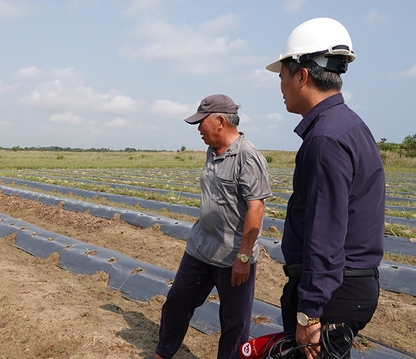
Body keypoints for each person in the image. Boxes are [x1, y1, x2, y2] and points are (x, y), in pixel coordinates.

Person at [265, 18, 385, 359]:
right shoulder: (347, 126)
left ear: (301, 75)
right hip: (346, 286)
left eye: (282, 76)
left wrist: (310, 311)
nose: (281, 86)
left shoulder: (325, 139)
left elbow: (326, 231)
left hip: (332, 293)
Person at [148, 94, 272, 359]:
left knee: (235, 322)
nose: (198, 130)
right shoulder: (212, 150)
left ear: (219, 121)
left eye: (200, 122)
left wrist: (243, 257)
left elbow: (256, 208)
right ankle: (163, 353)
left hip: (233, 257)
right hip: (200, 248)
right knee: (177, 302)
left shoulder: (248, 157)